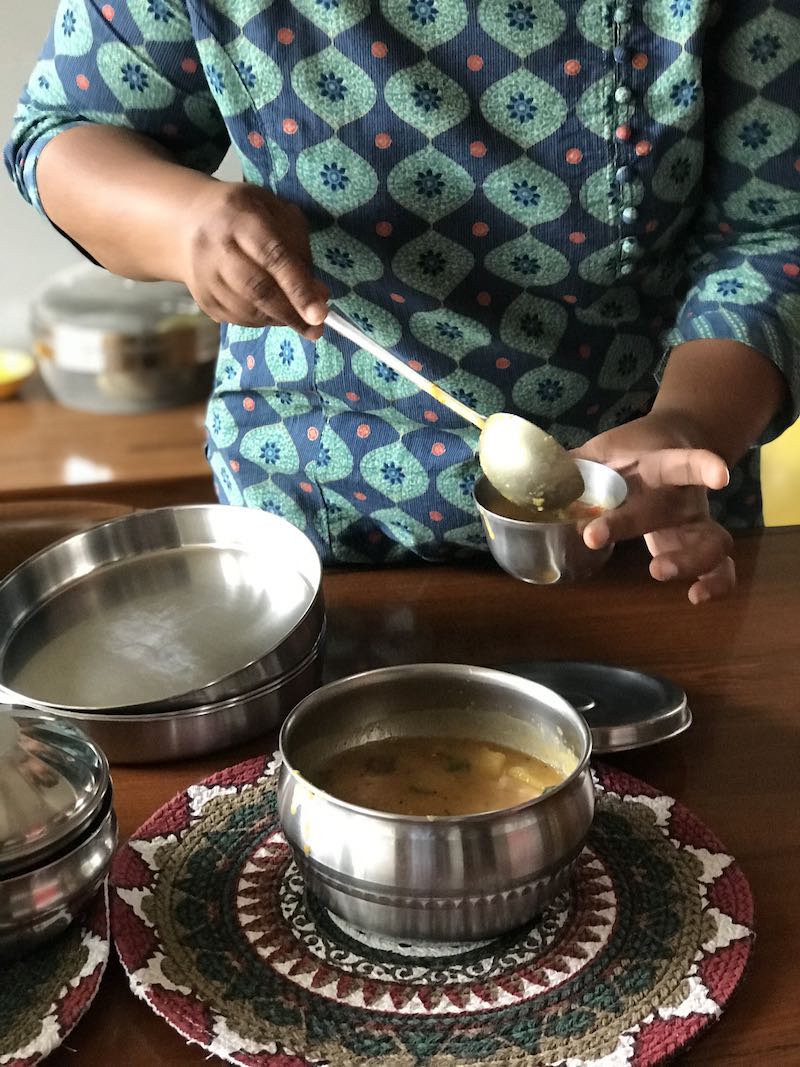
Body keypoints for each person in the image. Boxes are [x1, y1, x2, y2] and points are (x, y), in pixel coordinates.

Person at [5, 0, 798, 603]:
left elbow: (775, 231)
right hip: (311, 515)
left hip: (648, 513)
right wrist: (183, 223)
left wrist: (691, 424)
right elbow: (62, 131)